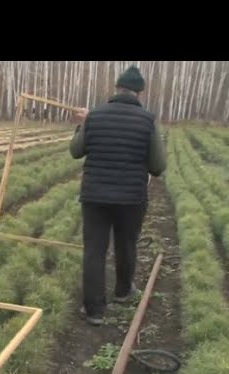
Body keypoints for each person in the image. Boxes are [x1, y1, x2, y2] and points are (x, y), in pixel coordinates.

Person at [69, 65, 166, 325]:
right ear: (139, 93)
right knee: (126, 245)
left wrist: (82, 126)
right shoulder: (148, 120)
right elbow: (158, 166)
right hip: (131, 198)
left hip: (94, 196)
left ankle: (94, 310)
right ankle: (123, 292)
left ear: (116, 89)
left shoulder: (95, 116)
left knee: (94, 251)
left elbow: (76, 151)